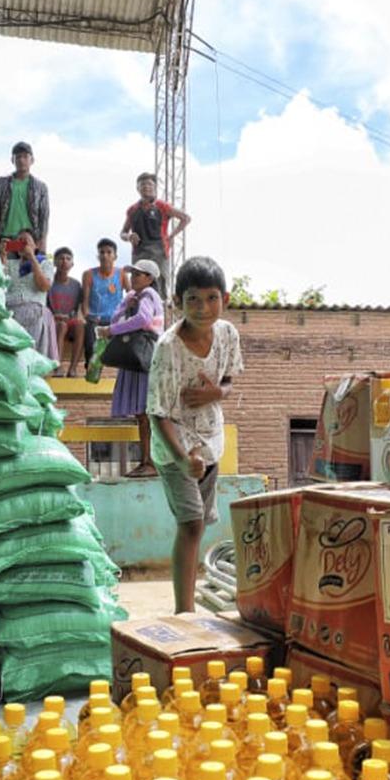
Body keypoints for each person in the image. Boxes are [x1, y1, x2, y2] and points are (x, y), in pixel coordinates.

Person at [146, 256, 243, 613]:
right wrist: (181, 460)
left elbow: (230, 379)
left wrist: (218, 393)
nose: (204, 308)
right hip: (175, 446)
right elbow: (157, 414)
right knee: (190, 524)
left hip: (210, 442)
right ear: (177, 303)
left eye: (212, 298)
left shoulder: (228, 334)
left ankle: (187, 608)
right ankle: (183, 612)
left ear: (225, 299)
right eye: (193, 300)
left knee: (199, 525)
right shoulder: (168, 348)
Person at [97, 257, 165, 479]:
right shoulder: (132, 296)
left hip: (144, 357)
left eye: (138, 274)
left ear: (150, 278)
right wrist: (128, 305)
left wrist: (114, 330)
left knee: (146, 412)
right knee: (141, 412)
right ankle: (146, 460)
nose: (133, 277)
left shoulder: (149, 295)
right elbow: (115, 316)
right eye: (132, 273)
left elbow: (144, 319)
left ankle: (151, 461)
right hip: (134, 358)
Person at [120, 172, 190, 288]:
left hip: (159, 252)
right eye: (142, 185)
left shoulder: (162, 206)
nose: (146, 187)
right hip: (139, 253)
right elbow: (123, 232)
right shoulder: (132, 210)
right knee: (139, 286)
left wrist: (171, 236)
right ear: (138, 188)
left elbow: (185, 218)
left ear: (155, 187)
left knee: (159, 286)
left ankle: (161, 305)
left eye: (149, 184)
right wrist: (129, 236)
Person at [4, 228, 58, 360]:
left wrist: (32, 258)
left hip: (32, 312)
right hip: (10, 313)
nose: (21, 244)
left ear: (36, 245)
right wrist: (2, 255)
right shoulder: (11, 264)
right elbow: (0, 282)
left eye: (26, 241)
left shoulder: (45, 263)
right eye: (19, 241)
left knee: (30, 357)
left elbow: (43, 286)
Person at [0, 140, 50, 256]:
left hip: (31, 240)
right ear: (13, 160)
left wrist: (43, 241)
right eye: (18, 157)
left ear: (32, 160)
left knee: (28, 272)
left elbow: (44, 216)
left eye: (25, 156)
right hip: (6, 239)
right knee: (5, 272)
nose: (21, 160)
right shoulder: (1, 184)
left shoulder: (40, 187)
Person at [81, 238, 126, 368]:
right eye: (102, 252)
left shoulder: (122, 274)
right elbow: (85, 302)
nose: (105, 255)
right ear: (98, 256)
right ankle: (91, 366)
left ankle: (119, 368)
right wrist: (88, 315)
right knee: (89, 329)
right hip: (97, 319)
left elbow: (131, 295)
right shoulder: (89, 274)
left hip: (115, 318)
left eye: (109, 252)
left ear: (115, 256)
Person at [47, 247, 85, 377]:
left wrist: (73, 317)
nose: (64, 261)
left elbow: (80, 309)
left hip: (69, 320)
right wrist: (54, 316)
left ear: (72, 264)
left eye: (68, 258)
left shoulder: (76, 285)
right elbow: (43, 307)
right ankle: (57, 367)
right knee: (61, 326)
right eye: (61, 258)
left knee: (81, 325)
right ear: (55, 262)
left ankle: (72, 368)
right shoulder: (48, 282)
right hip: (52, 321)